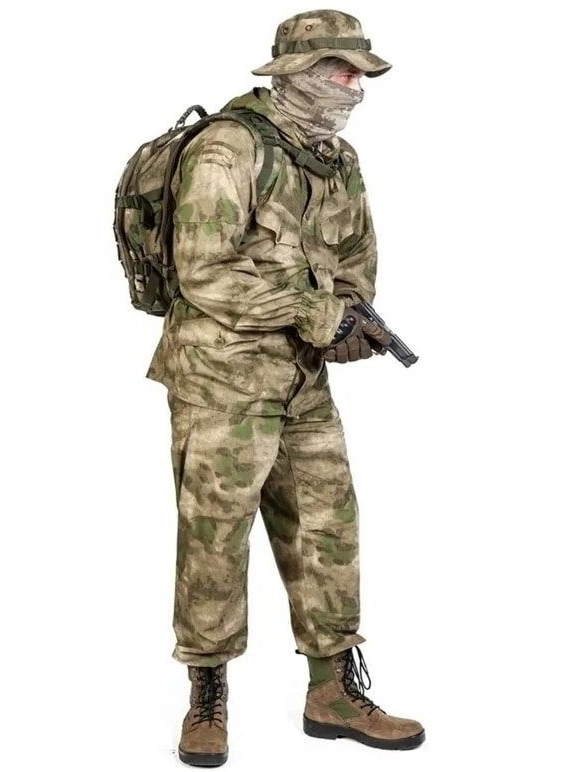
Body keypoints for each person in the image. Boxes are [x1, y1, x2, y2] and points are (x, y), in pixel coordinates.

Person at [146, 9, 425, 766]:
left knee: (328, 528)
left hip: (300, 379)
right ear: (296, 73)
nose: (355, 84)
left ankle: (332, 690)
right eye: (341, 69)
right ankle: (207, 694)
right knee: (215, 536)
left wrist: (349, 321)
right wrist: (316, 314)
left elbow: (357, 256)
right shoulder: (227, 150)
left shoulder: (337, 158)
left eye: (361, 72)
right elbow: (203, 270)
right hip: (220, 378)